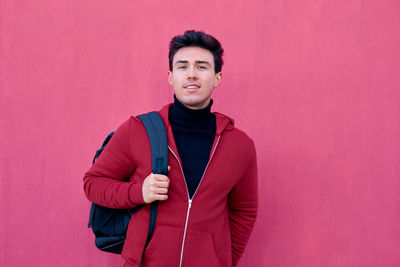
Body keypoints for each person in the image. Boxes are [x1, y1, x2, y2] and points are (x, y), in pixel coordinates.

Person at [83, 30, 258, 267]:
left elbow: (244, 210)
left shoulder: (240, 146)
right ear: (170, 76)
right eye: (182, 67)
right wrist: (138, 193)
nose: (192, 74)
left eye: (202, 67)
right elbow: (93, 183)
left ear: (217, 77)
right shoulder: (139, 130)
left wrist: (224, 260)